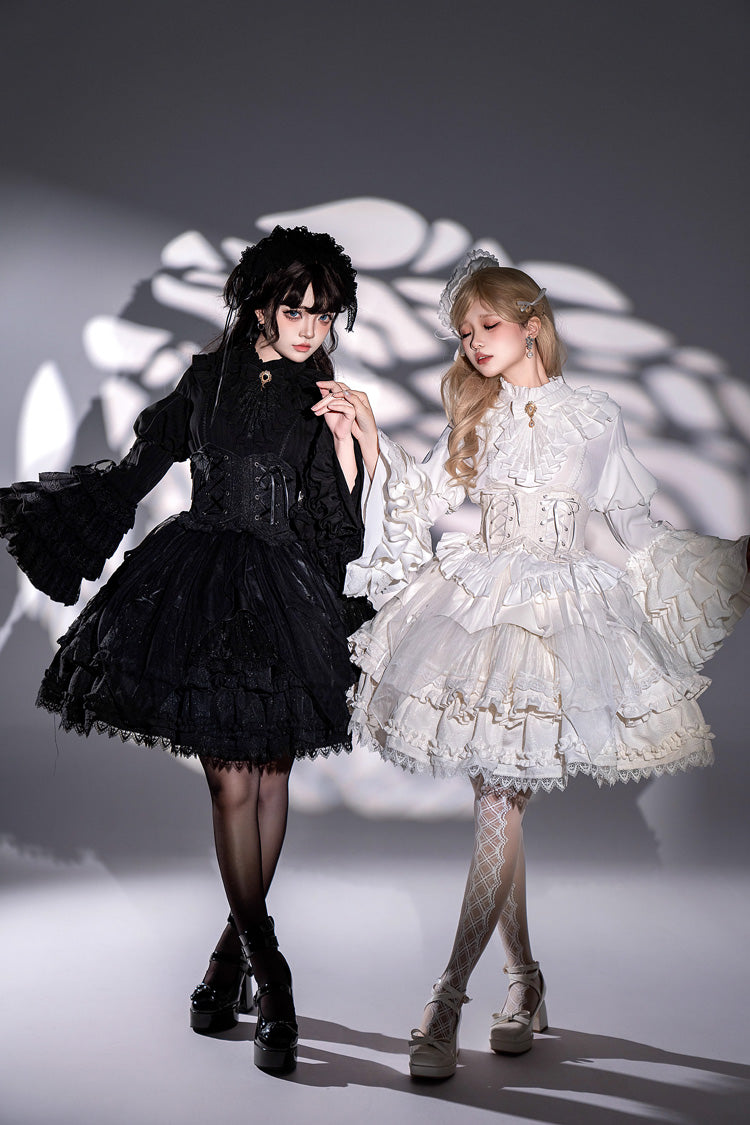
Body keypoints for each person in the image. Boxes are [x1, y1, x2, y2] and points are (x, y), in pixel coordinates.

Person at [341, 251, 750, 1079]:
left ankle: (447, 999)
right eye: (465, 331)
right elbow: (419, 498)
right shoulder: (477, 414)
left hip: (558, 620)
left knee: (499, 803)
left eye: (488, 324)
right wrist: (373, 441)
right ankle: (524, 980)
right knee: (502, 807)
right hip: (479, 615)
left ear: (531, 324)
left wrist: (716, 561)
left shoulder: (594, 416)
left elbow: (630, 525)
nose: (475, 342)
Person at [0, 225, 373, 1074]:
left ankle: (229, 957)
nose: (311, 327)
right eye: (296, 309)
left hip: (283, 594)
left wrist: (362, 454)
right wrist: (51, 513)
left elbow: (337, 540)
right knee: (230, 782)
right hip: (200, 587)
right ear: (259, 305)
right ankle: (272, 968)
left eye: (324, 313)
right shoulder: (206, 381)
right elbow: (135, 472)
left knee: (269, 777)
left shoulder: (322, 403)